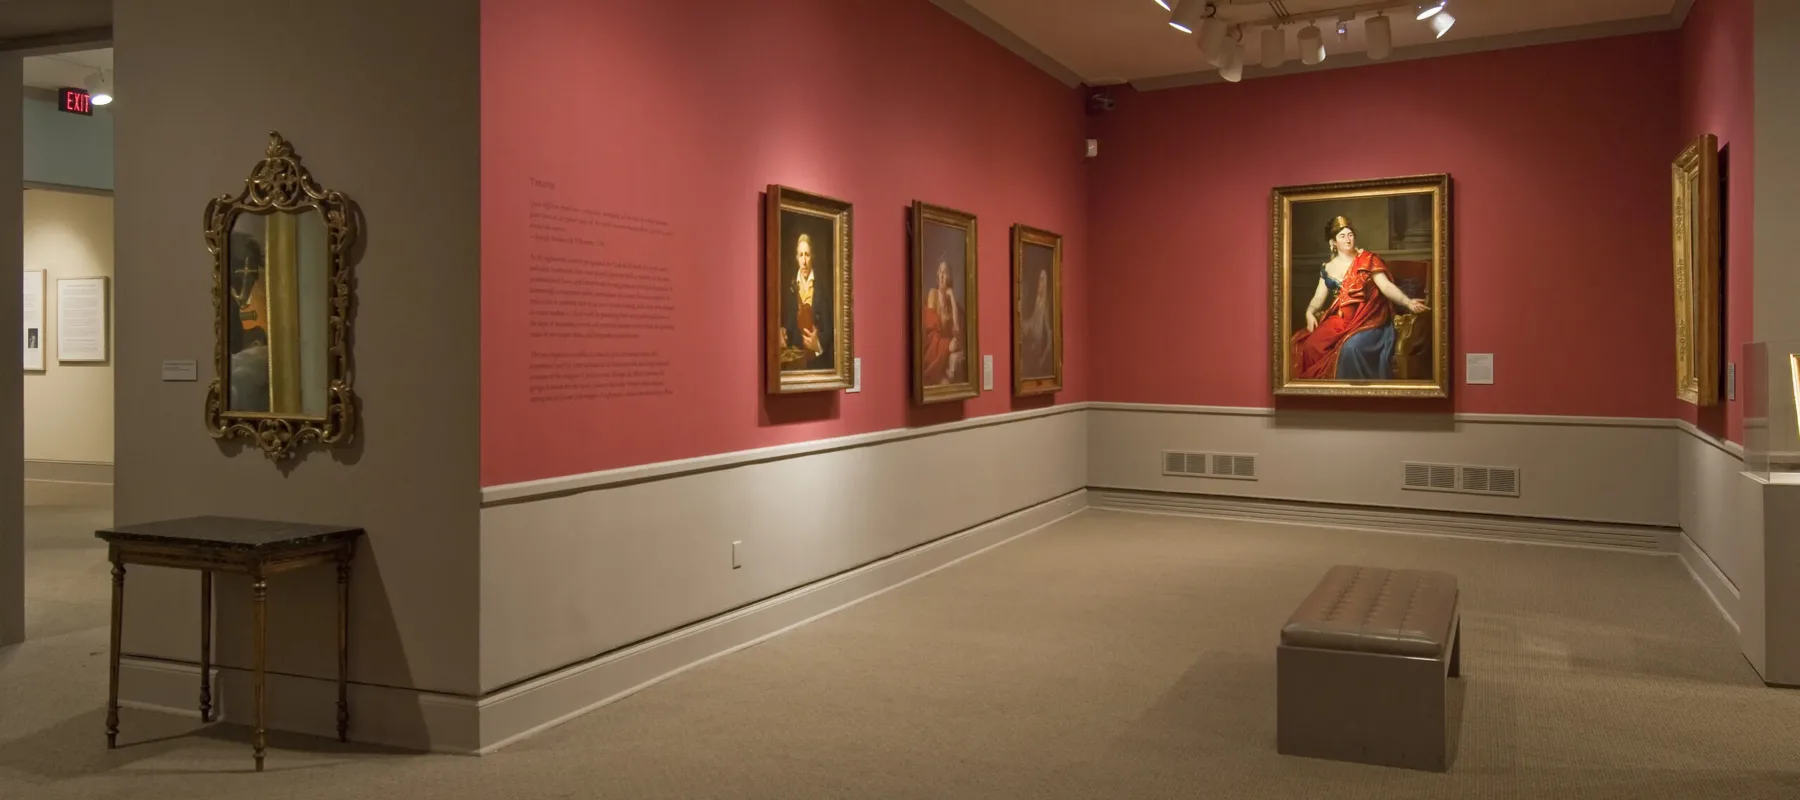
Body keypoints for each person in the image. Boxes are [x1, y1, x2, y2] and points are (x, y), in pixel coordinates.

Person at [1290, 215, 1428, 380]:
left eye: (1350, 235)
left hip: (1369, 319)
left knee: (1351, 348)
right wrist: (1309, 312)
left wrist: (1408, 302)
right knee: (1310, 345)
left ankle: (1356, 397)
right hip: (1341, 321)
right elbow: (1319, 297)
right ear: (1333, 243)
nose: (1348, 240)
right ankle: (1324, 395)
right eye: (1342, 236)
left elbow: (1385, 286)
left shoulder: (1367, 260)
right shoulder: (1328, 268)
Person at [780, 232, 832, 370]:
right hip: (795, 362)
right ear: (797, 258)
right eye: (801, 255)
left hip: (817, 362)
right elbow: (787, 323)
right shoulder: (789, 287)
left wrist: (818, 345)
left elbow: (829, 328)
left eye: (807, 255)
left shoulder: (822, 287)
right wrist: (783, 332)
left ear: (812, 257)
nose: (804, 261)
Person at [920, 257, 964, 385]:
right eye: (940, 271)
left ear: (949, 277)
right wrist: (948, 345)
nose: (941, 275)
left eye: (945, 272)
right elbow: (930, 331)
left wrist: (953, 299)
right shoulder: (933, 294)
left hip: (945, 352)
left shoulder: (953, 303)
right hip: (934, 353)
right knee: (945, 383)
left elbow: (957, 331)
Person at [1018, 266, 1053, 377]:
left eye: (1042, 281)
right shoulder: (1025, 314)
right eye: (1039, 281)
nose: (1040, 285)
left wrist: (1041, 360)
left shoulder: (1043, 309)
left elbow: (1050, 340)